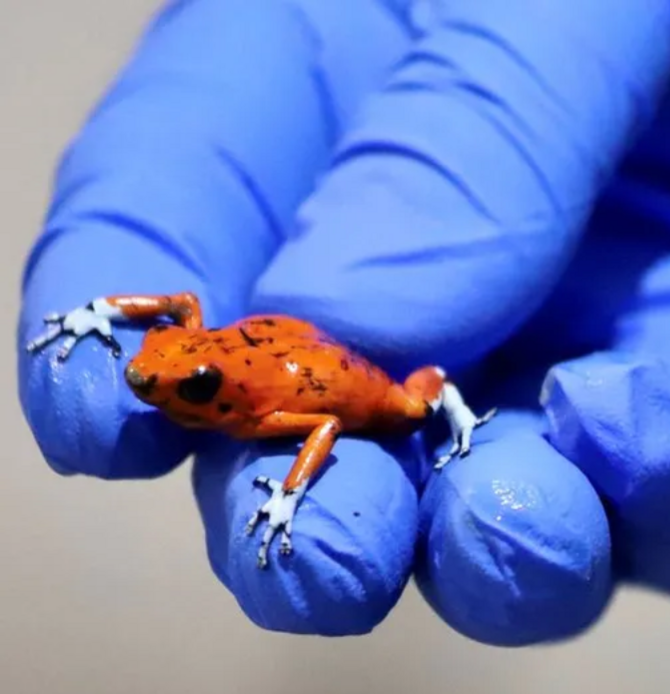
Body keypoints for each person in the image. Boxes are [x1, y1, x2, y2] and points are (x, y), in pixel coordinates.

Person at [16, 0, 670, 645]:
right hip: (290, 351)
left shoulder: (263, 417)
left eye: (187, 385)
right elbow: (182, 303)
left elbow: (324, 423)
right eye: (166, 357)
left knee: (418, 403)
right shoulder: (197, 339)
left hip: (361, 389)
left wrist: (289, 494)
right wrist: (107, 308)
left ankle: (461, 416)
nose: (145, 378)